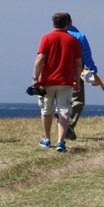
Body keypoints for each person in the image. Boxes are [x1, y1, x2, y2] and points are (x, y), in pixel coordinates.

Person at [32, 12, 82, 152]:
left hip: (47, 81)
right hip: (65, 82)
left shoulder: (46, 38)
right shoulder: (73, 40)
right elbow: (78, 63)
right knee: (64, 111)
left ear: (53, 23)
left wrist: (35, 77)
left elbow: (40, 58)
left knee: (46, 110)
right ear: (67, 23)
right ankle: (60, 141)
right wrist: (76, 81)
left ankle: (47, 139)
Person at [64, 17, 100, 142]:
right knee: (78, 101)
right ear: (71, 22)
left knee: (61, 101)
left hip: (57, 74)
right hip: (75, 73)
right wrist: (93, 70)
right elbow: (86, 55)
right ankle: (69, 124)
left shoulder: (52, 36)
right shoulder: (79, 36)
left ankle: (60, 124)